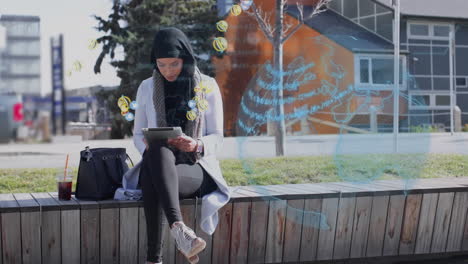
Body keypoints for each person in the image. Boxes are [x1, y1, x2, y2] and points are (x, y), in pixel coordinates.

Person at [129, 27, 231, 264]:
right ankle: (180, 231)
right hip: (161, 161)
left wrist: (195, 144)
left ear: (185, 58)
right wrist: (146, 145)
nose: (167, 71)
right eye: (161, 65)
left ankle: (154, 259)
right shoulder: (146, 87)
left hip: (196, 167)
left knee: (152, 177)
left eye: (173, 64)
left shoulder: (207, 85)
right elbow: (136, 134)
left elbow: (218, 136)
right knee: (155, 150)